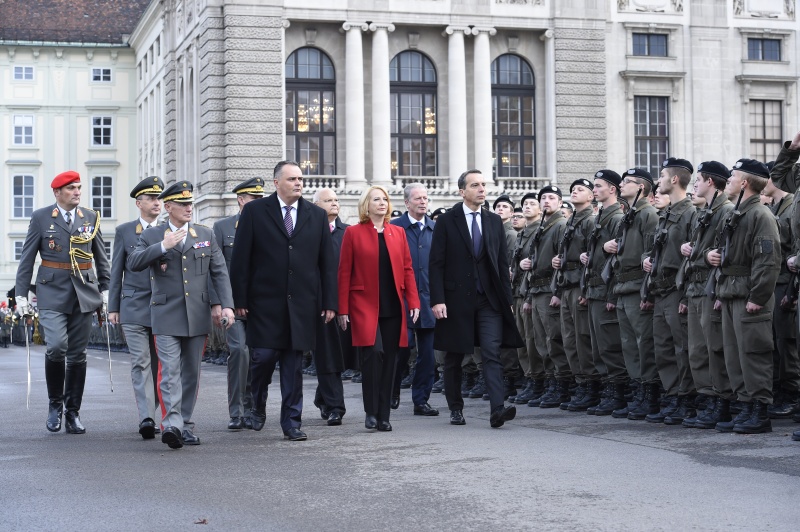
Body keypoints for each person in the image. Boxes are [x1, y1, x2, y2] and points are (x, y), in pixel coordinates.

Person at [229, 161, 337, 442]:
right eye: (292, 179)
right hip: (264, 302)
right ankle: (258, 402)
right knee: (263, 357)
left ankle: (291, 421)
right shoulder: (255, 212)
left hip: (302, 303)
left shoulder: (316, 215)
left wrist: (329, 302)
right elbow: (241, 259)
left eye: (301, 179)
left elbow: (327, 264)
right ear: (276, 183)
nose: (298, 183)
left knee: (293, 364)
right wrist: (238, 298)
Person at [128, 181, 235, 449]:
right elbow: (134, 263)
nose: (190, 208)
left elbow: (219, 272)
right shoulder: (153, 235)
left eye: (191, 203)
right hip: (165, 314)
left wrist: (226, 305)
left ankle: (185, 423)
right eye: (184, 204)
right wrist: (162, 247)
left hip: (197, 314)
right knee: (169, 371)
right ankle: (172, 423)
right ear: (168, 207)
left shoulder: (204, 234)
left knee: (191, 373)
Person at [15, 170, 110, 434]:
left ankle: (73, 412)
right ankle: (55, 404)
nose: (77, 192)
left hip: (83, 292)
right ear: (57, 193)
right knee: (57, 346)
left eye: (78, 187)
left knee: (78, 354)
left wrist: (106, 288)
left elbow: (100, 257)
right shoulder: (42, 217)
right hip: (52, 291)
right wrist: (21, 294)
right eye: (71, 188)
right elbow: (27, 258)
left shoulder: (90, 217)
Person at [429, 169, 524, 427]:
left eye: (483, 184)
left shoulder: (493, 221)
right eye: (475, 185)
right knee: (455, 356)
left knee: (491, 352)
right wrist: (437, 300)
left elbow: (501, 264)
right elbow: (436, 263)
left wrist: (508, 300)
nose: (482, 189)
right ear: (462, 191)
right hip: (455, 300)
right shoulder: (448, 220)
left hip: (489, 300)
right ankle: (456, 408)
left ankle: (497, 410)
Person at [706, 159, 780, 434]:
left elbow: (768, 261)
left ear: (745, 183)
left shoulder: (760, 215)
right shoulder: (734, 214)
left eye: (734, 176)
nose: (730, 180)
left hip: (748, 294)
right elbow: (719, 250)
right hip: (729, 292)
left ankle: (759, 410)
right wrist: (709, 256)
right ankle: (744, 404)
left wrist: (758, 296)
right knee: (734, 354)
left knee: (753, 353)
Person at [338, 186, 420, 431]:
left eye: (385, 199)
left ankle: (384, 415)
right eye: (377, 199)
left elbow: (407, 269)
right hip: (363, 304)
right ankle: (370, 411)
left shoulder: (398, 232)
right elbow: (344, 273)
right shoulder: (353, 233)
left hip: (393, 305)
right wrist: (342, 309)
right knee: (373, 355)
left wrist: (414, 302)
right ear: (366, 204)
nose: (382, 203)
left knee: (391, 360)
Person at [679, 161, 734, 429]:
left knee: (714, 349)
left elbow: (725, 253)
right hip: (696, 287)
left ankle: (721, 400)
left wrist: (697, 253)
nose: (695, 184)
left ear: (710, 182)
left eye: (698, 180)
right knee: (698, 351)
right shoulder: (706, 212)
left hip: (711, 288)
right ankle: (707, 398)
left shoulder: (726, 211)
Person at [108, 176, 164, 439]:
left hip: (163, 307)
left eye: (159, 198)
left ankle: (153, 410)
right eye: (151, 198)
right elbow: (116, 269)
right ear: (138, 203)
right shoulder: (125, 231)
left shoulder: (170, 230)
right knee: (140, 363)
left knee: (159, 364)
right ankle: (146, 417)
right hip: (132, 306)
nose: (157, 202)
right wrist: (113, 306)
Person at [642, 158, 695, 425]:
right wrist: (646, 259)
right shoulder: (665, 214)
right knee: (663, 348)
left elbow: (692, 258)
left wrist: (685, 296)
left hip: (677, 289)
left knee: (681, 347)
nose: (658, 180)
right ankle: (672, 394)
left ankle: (686, 397)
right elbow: (656, 250)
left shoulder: (690, 213)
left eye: (662, 175)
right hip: (660, 289)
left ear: (674, 179)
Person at [604, 168, 660, 420]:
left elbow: (650, 254)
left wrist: (647, 292)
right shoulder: (629, 215)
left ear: (641, 188)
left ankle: (649, 393)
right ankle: (638, 389)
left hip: (638, 286)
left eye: (627, 182)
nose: (622, 185)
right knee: (629, 345)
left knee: (644, 343)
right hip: (624, 286)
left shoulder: (648, 214)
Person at [211, 177, 265, 431]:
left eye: (261, 198)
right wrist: (218, 303)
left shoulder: (270, 225)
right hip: (232, 304)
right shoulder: (222, 228)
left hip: (263, 304)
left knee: (259, 355)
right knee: (240, 351)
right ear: (241, 200)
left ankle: (254, 406)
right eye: (254, 198)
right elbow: (215, 269)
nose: (259, 202)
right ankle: (237, 410)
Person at [391, 183, 439, 417]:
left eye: (425, 198)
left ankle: (421, 400)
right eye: (418, 198)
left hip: (429, 301)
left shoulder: (435, 229)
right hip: (401, 300)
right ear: (407, 203)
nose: (423, 202)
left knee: (427, 355)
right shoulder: (395, 228)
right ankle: (392, 388)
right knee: (401, 349)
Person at [520, 185, 569, 408]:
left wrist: (557, 292)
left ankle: (560, 385)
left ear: (559, 202)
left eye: (551, 198)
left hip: (550, 289)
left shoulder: (559, 225)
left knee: (554, 340)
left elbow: (562, 262)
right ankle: (550, 382)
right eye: (543, 198)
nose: (546, 201)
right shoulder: (542, 227)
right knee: (541, 341)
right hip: (537, 289)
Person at [770, 129, 800, 441]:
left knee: (788, 344)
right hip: (791, 277)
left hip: (789, 274)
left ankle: (791, 394)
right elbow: (779, 178)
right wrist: (791, 150)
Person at [311, 187, 350, 426]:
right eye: (328, 200)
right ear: (316, 206)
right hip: (321, 304)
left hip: (346, 303)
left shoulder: (348, 233)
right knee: (327, 355)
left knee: (342, 356)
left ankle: (322, 396)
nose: (334, 203)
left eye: (336, 200)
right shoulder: (309, 233)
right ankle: (336, 406)